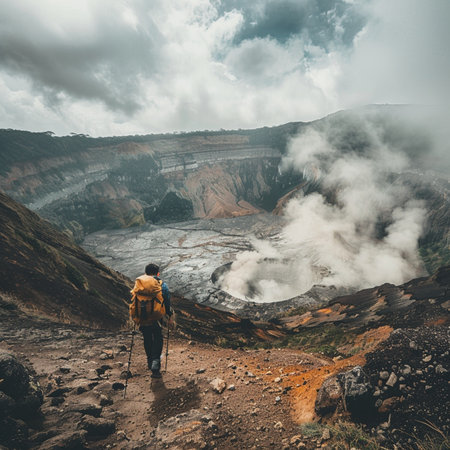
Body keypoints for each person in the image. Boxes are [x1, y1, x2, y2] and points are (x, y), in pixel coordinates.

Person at [130, 263, 172, 378]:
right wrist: (169, 314)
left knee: (147, 337)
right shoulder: (161, 285)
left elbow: (134, 300)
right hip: (156, 317)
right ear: (158, 273)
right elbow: (167, 301)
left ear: (146, 273)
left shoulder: (139, 285)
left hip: (142, 317)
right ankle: (155, 363)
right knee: (158, 337)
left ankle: (150, 361)